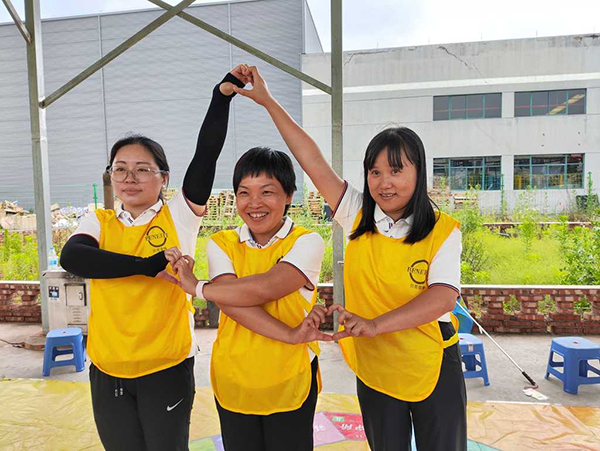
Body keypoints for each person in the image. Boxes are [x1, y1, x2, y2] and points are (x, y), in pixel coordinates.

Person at [233, 65, 467, 451]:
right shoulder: (356, 214)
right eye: (375, 172)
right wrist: (268, 102)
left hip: (432, 360)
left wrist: (375, 324)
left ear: (419, 173)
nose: (384, 182)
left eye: (396, 171)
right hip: (375, 364)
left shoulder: (443, 230)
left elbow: (442, 298)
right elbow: (310, 158)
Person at [59, 65, 249, 451]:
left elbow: (206, 154)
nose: (130, 178)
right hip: (108, 369)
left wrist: (221, 97)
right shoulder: (98, 221)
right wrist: (148, 266)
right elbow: (73, 257)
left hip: (166, 367)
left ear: (164, 178)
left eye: (143, 170)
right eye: (120, 170)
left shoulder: (180, 216)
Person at [173, 146, 330, 451]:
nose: (254, 203)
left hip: (289, 378)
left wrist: (198, 287)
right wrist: (290, 334)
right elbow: (232, 304)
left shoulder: (307, 241)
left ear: (289, 195)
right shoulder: (222, 242)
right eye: (244, 193)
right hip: (235, 377)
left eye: (267, 192)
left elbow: (264, 288)